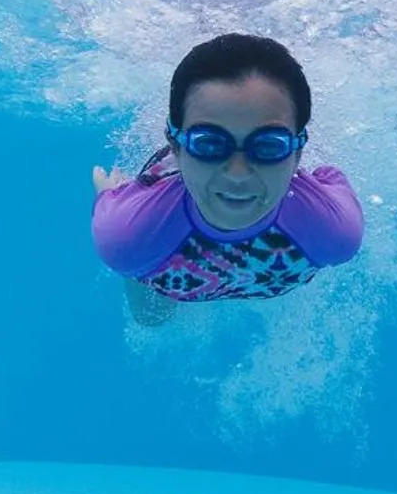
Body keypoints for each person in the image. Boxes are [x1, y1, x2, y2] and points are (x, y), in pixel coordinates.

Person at [92, 34, 363, 319]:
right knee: (150, 317)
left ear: (298, 154)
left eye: (269, 146)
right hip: (160, 245)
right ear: (175, 148)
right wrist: (112, 195)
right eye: (208, 143)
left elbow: (329, 176)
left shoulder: (334, 231)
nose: (238, 174)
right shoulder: (128, 236)